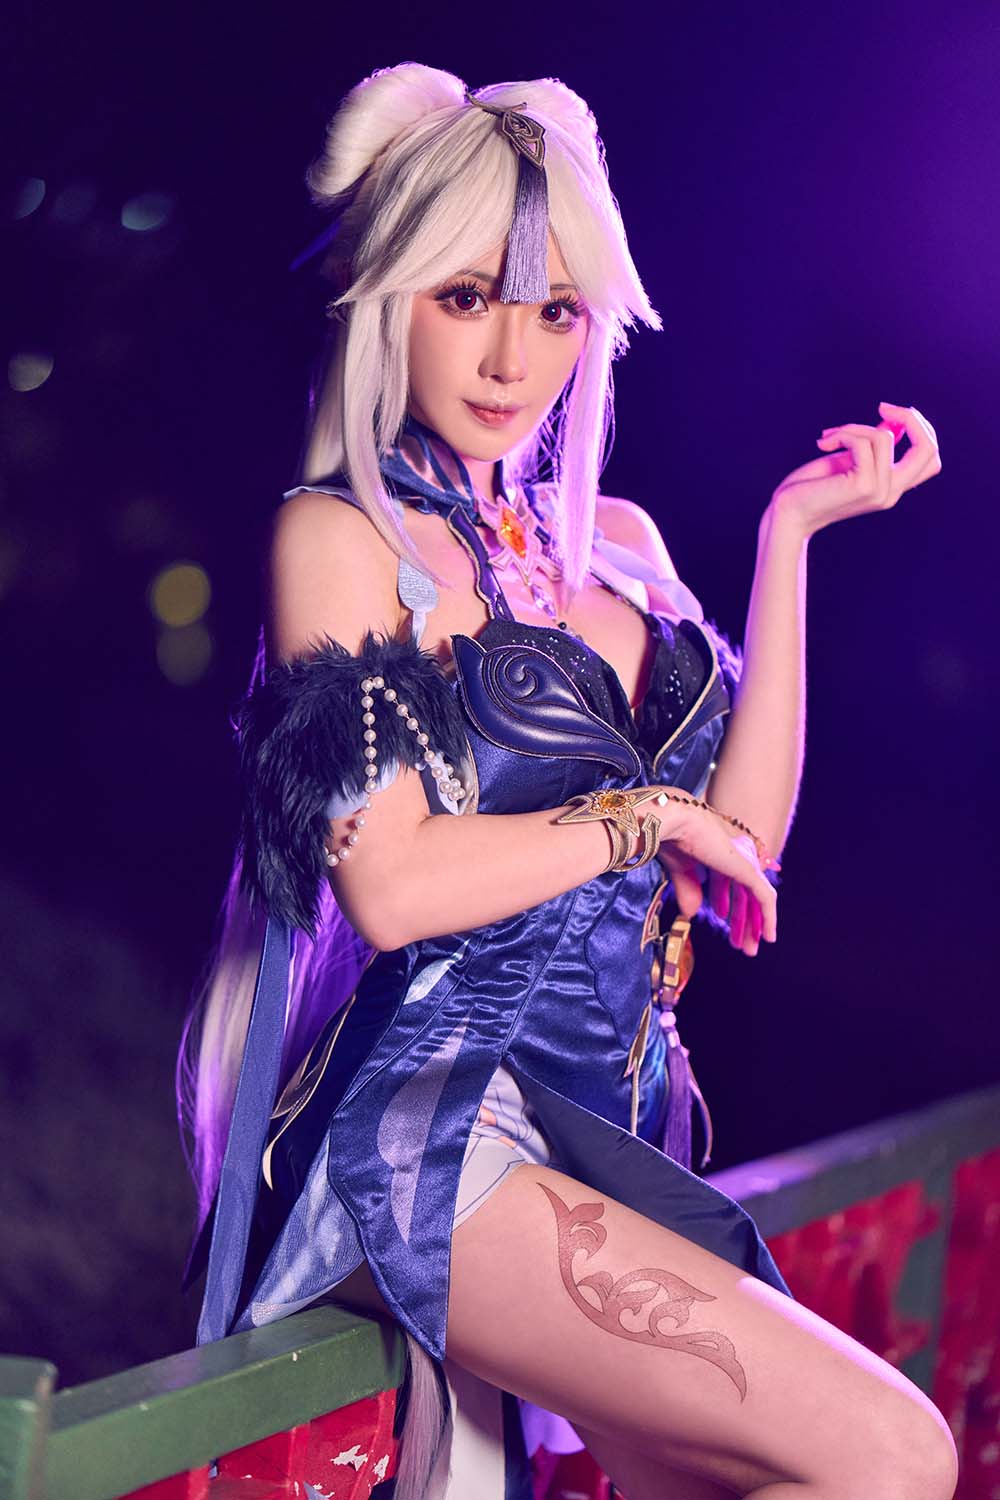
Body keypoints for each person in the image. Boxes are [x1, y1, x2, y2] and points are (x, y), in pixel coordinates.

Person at [178, 62, 954, 1500]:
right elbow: (390, 886)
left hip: (616, 1133)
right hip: (434, 1139)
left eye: (553, 310)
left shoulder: (620, 544)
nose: (509, 358)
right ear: (388, 300)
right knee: (899, 1451)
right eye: (466, 296)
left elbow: (747, 844)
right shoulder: (341, 540)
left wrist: (789, 540)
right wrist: (641, 819)